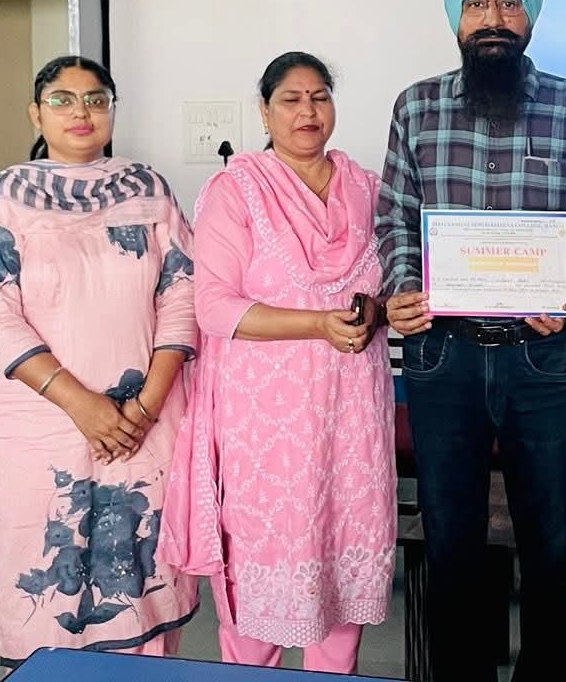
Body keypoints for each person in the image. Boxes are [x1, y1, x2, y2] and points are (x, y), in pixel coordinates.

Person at [380, 0, 566, 682]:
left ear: (532, 14)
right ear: (456, 15)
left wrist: (565, 293)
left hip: (546, 360)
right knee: (451, 544)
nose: (493, 18)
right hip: (442, 357)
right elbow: (395, 218)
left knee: (550, 547)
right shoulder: (415, 108)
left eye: (510, 3)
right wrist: (403, 288)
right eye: (477, 3)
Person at [160, 52, 395, 673]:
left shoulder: (368, 189)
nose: (308, 111)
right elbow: (214, 307)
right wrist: (317, 325)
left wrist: (376, 311)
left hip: (351, 419)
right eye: (291, 99)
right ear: (264, 111)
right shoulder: (236, 191)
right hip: (267, 430)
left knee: (342, 587)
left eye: (320, 97)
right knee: (258, 603)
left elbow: (396, 284)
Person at [0, 56, 200, 667]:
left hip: (143, 426)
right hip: (39, 430)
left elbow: (183, 292)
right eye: (62, 100)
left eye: (96, 99)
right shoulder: (4, 200)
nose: (81, 112)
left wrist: (145, 405)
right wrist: (82, 404)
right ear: (35, 113)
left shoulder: (148, 191)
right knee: (47, 583)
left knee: (138, 582)